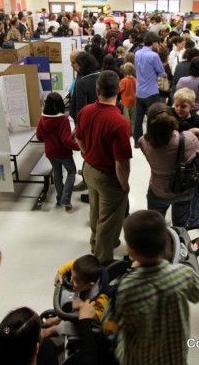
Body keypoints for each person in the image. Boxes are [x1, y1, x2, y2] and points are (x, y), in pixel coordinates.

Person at [102, 210, 199, 365]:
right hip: (174, 356)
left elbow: (109, 326)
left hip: (138, 358)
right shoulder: (181, 274)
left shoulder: (126, 288)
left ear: (130, 250)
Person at [74, 71, 132, 265]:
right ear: (119, 91)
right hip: (109, 176)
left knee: (96, 210)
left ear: (97, 90)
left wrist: (86, 153)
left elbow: (78, 136)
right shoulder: (119, 123)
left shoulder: (85, 111)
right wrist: (124, 185)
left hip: (89, 169)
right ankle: (101, 261)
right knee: (108, 219)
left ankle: (95, 242)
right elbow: (122, 163)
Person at [138, 103, 199, 226]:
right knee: (180, 224)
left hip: (158, 189)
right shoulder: (187, 137)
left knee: (155, 225)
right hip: (183, 188)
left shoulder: (143, 141)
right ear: (172, 119)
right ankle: (179, 241)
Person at [172, 88, 199, 227]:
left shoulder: (197, 119)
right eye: (176, 105)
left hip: (190, 161)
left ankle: (187, 217)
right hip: (171, 158)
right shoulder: (170, 115)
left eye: (183, 106)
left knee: (189, 189)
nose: (179, 109)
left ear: (192, 106)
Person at [43, 254, 110, 338]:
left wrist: (82, 305)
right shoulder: (82, 272)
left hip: (91, 320)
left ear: (90, 285)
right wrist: (60, 272)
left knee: (70, 326)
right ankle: (58, 319)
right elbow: (72, 264)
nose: (71, 280)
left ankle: (54, 330)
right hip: (82, 299)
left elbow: (99, 317)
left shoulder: (101, 297)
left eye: (75, 280)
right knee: (72, 306)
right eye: (72, 276)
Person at [36, 92, 79, 211]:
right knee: (71, 172)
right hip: (63, 153)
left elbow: (39, 136)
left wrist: (50, 139)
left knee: (57, 174)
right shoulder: (63, 120)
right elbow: (66, 140)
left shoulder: (43, 118)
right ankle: (65, 199)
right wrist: (78, 146)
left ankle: (60, 197)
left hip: (50, 153)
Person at [132, 32, 165, 146]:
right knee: (153, 118)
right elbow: (161, 72)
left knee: (138, 117)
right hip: (151, 91)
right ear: (154, 42)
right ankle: (152, 140)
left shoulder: (137, 53)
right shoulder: (154, 56)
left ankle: (137, 141)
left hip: (139, 90)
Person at [69, 53, 100, 122]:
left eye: (76, 65)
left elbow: (81, 109)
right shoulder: (102, 76)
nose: (76, 67)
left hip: (89, 121)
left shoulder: (82, 82)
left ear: (82, 65)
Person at [119, 62, 136, 131]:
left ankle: (127, 131)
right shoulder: (136, 80)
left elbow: (119, 90)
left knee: (126, 119)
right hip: (134, 101)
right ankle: (133, 130)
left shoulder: (123, 81)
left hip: (125, 101)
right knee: (133, 118)